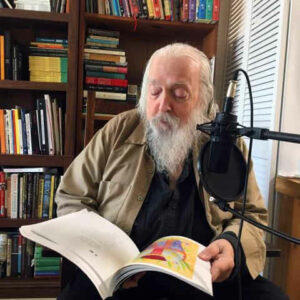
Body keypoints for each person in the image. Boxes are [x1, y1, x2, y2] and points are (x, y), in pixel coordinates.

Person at [55, 43, 288, 300]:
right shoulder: (118, 131)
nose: (163, 105)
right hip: (123, 278)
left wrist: (232, 245)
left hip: (207, 278)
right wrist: (103, 259)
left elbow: (251, 214)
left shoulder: (227, 145)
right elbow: (71, 198)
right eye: (154, 92)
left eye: (179, 94)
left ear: (204, 100)